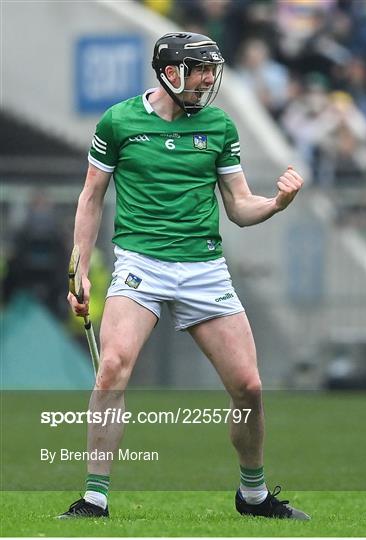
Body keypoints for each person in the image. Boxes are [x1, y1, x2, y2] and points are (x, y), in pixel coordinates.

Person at [60, 32, 309, 521]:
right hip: (139, 262)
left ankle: (253, 496)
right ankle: (94, 498)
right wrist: (80, 267)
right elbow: (91, 198)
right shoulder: (118, 121)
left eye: (213, 70)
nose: (210, 80)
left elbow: (238, 206)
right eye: (202, 70)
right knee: (112, 369)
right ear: (171, 73)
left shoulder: (217, 126)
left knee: (249, 388)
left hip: (204, 269)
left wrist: (277, 203)